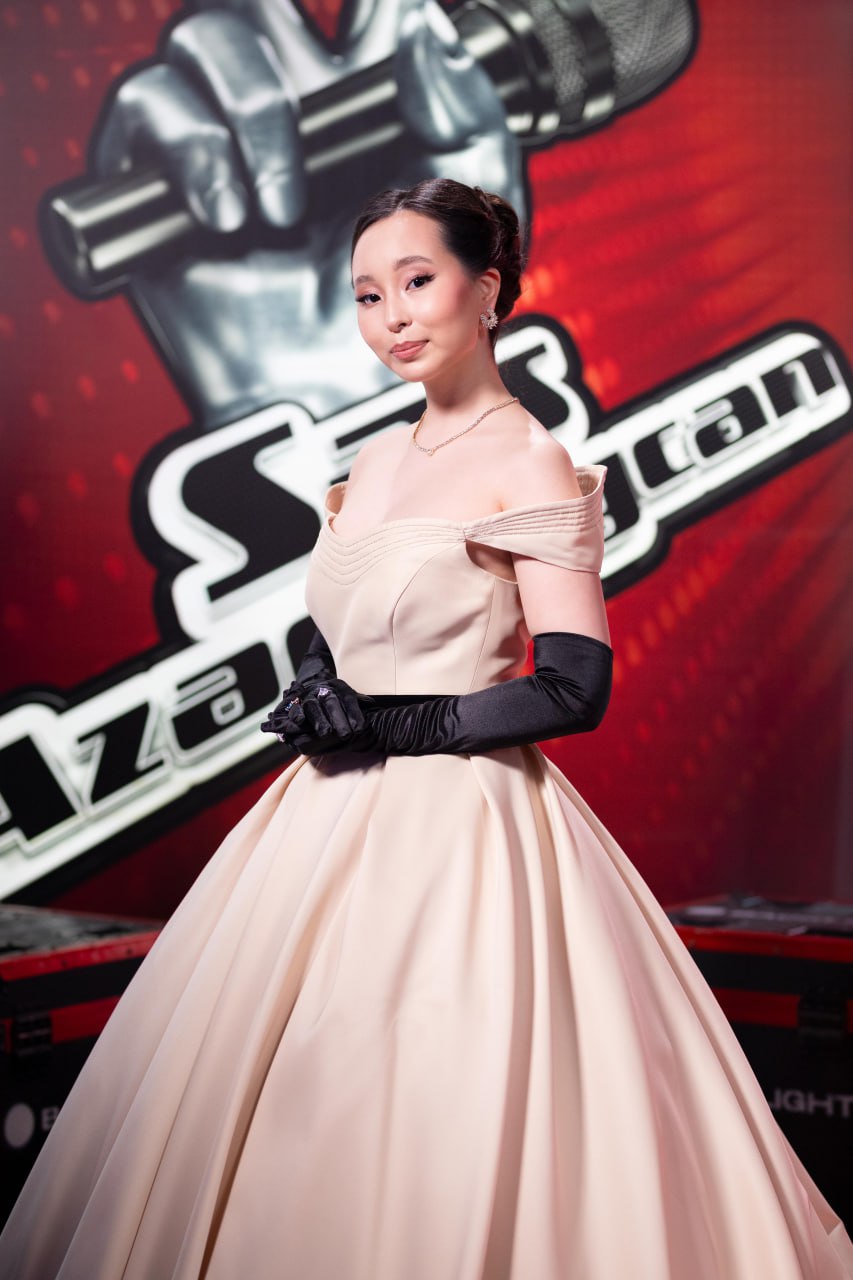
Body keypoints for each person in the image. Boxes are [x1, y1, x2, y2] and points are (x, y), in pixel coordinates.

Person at [0, 179, 851, 1280]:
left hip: (462, 827)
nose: (391, 317)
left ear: (486, 290)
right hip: (320, 822)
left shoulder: (529, 458)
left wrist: (397, 721)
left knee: (427, 1095)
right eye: (367, 295)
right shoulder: (374, 460)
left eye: (416, 281)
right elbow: (340, 622)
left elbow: (573, 685)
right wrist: (319, 685)